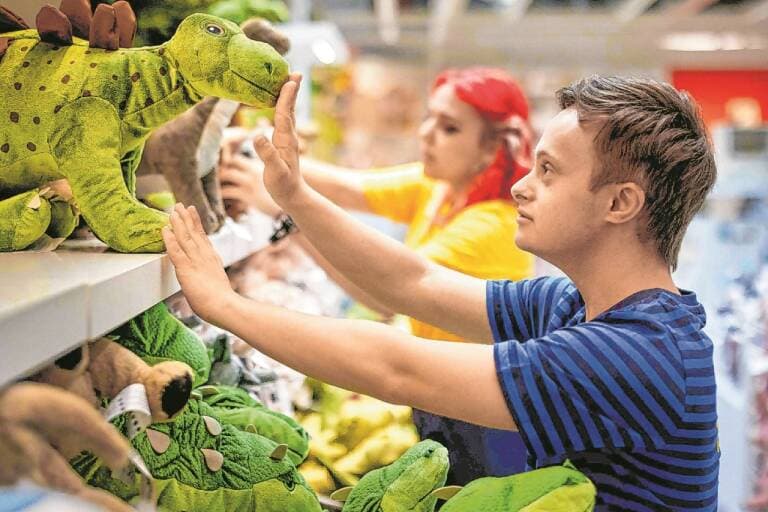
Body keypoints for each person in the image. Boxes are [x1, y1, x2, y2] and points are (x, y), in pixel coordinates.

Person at [163, 73, 719, 510]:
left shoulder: (635, 356)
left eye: (548, 171)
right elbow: (415, 283)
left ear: (619, 204)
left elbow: (399, 369)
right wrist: (296, 196)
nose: (521, 185)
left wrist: (228, 306)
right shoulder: (573, 304)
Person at [218, 67, 535, 482]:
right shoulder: (440, 188)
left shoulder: (493, 224)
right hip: (441, 388)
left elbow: (386, 293)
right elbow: (350, 187)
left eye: (450, 127)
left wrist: (285, 212)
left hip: (480, 410)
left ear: (492, 148)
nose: (426, 133)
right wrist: (258, 147)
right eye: (430, 117)